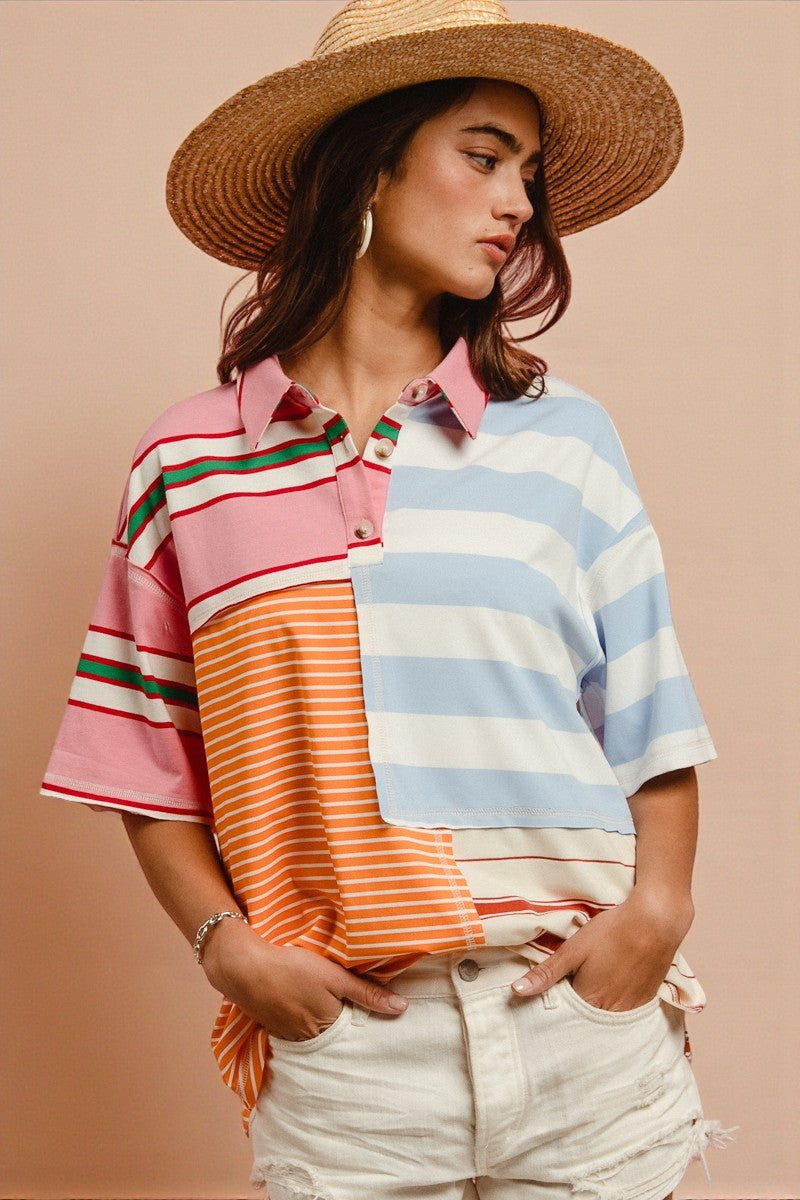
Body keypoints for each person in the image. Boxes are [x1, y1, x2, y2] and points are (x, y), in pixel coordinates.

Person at [42, 1, 735, 1197]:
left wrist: (654, 918)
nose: (517, 203)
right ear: (370, 165)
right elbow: (145, 755)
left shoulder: (563, 439)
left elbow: (649, 717)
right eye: (481, 156)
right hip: (350, 1061)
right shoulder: (191, 463)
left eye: (529, 172)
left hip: (580, 1029)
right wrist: (230, 953)